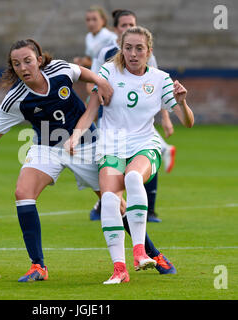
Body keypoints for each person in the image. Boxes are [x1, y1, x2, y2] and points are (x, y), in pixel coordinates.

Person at [0, 38, 114, 282]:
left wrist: (100, 81)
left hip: (86, 144)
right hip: (46, 148)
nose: (23, 68)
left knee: (112, 201)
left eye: (28, 61)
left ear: (39, 61)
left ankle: (148, 252)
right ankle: (37, 266)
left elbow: (83, 73)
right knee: (23, 193)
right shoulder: (15, 99)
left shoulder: (60, 71)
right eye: (16, 64)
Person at [65, 26, 194, 284]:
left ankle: (139, 252)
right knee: (110, 200)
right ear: (121, 49)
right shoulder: (108, 72)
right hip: (111, 146)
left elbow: (188, 122)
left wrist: (182, 102)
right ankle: (119, 270)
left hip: (144, 144)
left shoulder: (160, 79)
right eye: (128, 48)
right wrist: (76, 136)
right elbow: (91, 110)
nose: (133, 54)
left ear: (149, 51)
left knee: (133, 178)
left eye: (139, 49)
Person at [89, 9, 176, 223]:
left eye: (131, 24)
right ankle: (107, 204)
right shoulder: (105, 53)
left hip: (138, 116)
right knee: (110, 164)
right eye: (124, 25)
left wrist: (165, 117)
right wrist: (94, 103)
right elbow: (93, 80)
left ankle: (149, 210)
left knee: (143, 160)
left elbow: (156, 86)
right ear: (116, 29)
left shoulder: (147, 55)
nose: (128, 28)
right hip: (110, 110)